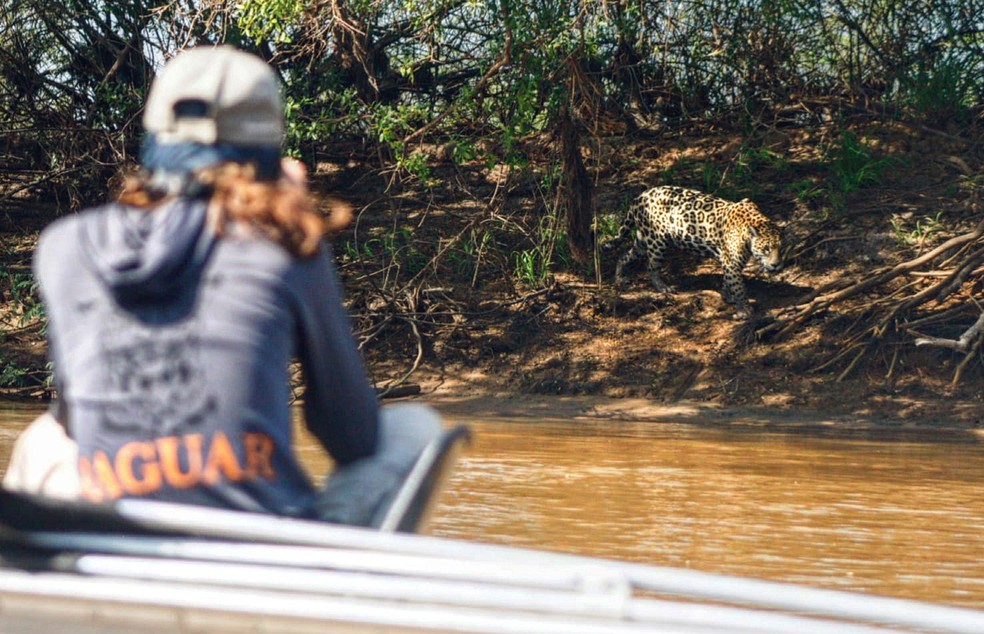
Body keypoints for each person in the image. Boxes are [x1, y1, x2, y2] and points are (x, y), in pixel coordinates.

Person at [3, 45, 444, 528]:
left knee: (43, 438)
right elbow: (351, 435)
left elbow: (74, 420)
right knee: (414, 427)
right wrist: (290, 212)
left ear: (154, 136)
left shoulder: (64, 244)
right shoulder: (286, 245)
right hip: (259, 551)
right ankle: (338, 585)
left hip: (116, 536)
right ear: (268, 149)